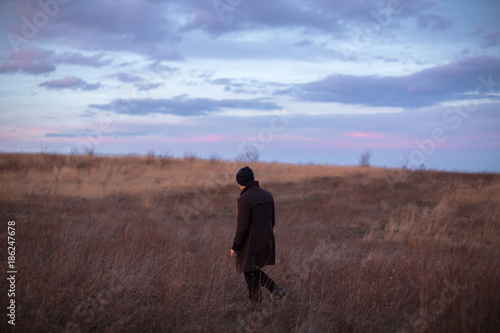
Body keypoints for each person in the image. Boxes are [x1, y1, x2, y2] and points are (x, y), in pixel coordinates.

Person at [230, 166, 286, 304]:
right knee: (252, 272)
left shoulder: (244, 198)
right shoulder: (268, 195)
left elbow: (242, 227)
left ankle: (258, 307)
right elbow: (272, 221)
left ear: (240, 182)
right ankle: (274, 290)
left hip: (251, 243)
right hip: (267, 240)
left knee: (249, 272)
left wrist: (235, 246)